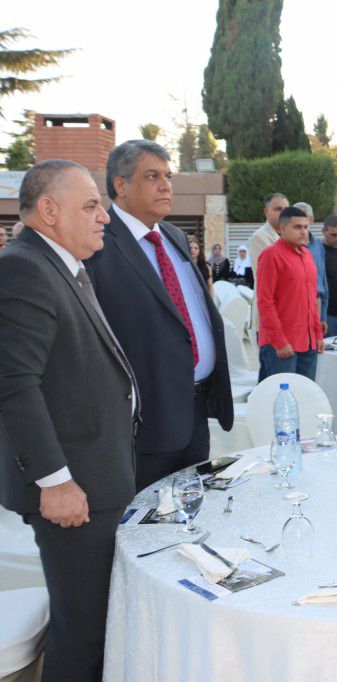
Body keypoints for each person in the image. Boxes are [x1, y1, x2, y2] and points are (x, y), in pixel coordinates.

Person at [0, 160, 138, 682]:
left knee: (95, 623)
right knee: (82, 632)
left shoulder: (63, 266)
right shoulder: (24, 269)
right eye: (92, 205)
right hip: (71, 490)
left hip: (95, 478)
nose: (104, 216)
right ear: (50, 211)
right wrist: (54, 481)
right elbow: (15, 384)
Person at [86, 140, 232, 490]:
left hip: (195, 411)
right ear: (120, 185)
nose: (166, 185)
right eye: (152, 176)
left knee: (193, 510)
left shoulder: (173, 236)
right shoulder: (97, 243)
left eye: (168, 176)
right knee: (147, 518)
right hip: (146, 423)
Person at [256, 206, 325, 381]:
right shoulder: (271, 255)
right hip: (281, 345)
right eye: (297, 227)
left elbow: (312, 299)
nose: (303, 231)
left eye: (306, 227)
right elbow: (265, 302)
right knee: (280, 396)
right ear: (282, 229)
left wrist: (317, 335)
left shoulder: (307, 255)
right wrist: (279, 341)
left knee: (305, 394)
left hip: (308, 343)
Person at [248, 192, 289, 335]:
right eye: (278, 209)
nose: (283, 213)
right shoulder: (259, 237)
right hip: (270, 317)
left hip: (288, 314)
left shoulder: (288, 236)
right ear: (266, 212)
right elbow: (275, 276)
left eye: (286, 209)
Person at [293, 201, 329, 338]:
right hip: (295, 306)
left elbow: (323, 279)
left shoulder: (319, 245)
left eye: (304, 217)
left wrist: (323, 315)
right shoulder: (287, 247)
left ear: (311, 219)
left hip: (316, 304)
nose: (300, 222)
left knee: (315, 347)